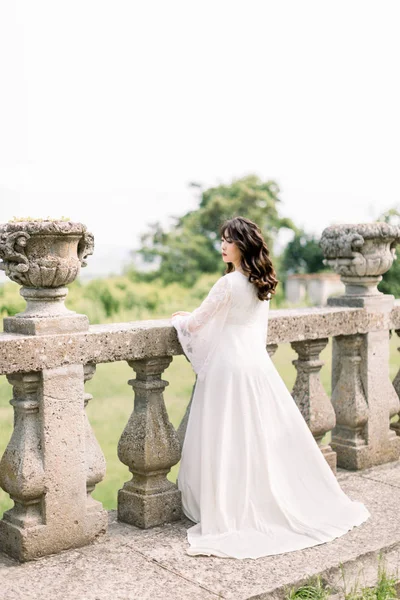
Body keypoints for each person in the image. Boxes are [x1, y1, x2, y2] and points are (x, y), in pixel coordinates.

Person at [171, 216, 370, 560]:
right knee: (254, 438)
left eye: (228, 241)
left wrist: (178, 319)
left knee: (226, 437)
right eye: (221, 240)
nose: (222, 246)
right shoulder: (260, 283)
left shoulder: (229, 283)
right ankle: (254, 499)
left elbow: (196, 324)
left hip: (228, 369)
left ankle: (229, 504)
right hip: (255, 366)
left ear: (242, 245)